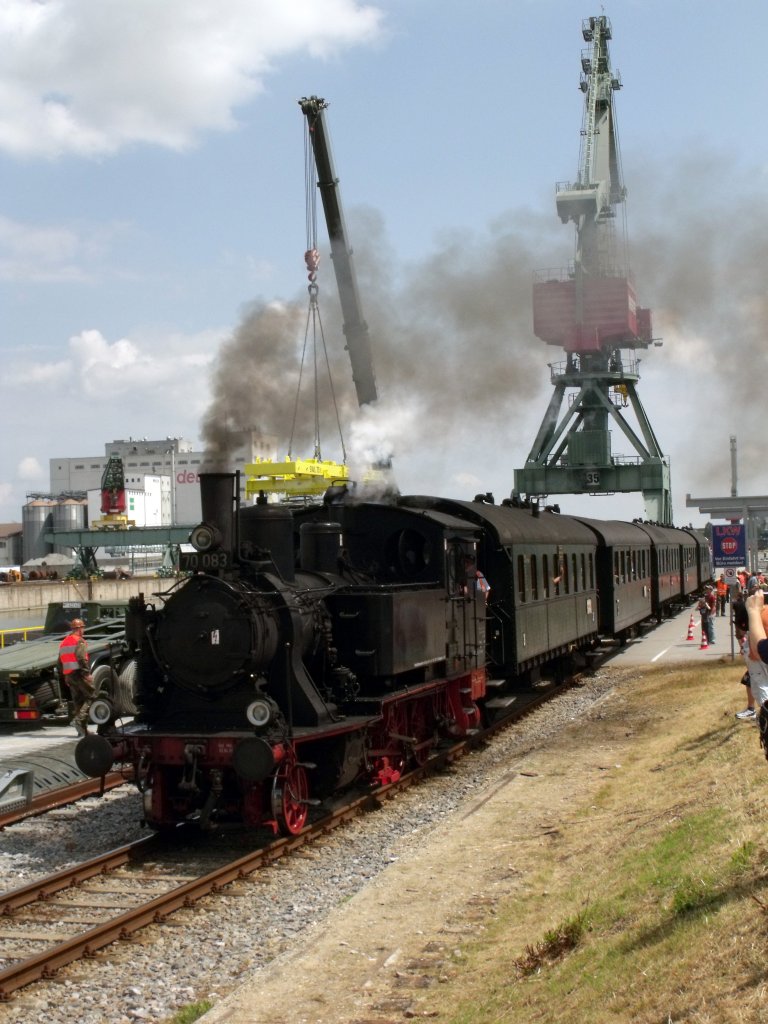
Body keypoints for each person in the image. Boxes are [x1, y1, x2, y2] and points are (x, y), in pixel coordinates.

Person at [57, 617, 95, 737]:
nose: (83, 630)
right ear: (79, 629)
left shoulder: (63, 642)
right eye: (83, 628)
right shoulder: (79, 641)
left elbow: (59, 662)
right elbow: (81, 658)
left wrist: (65, 675)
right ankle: (78, 721)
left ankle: (82, 730)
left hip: (69, 675)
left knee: (78, 701)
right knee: (91, 696)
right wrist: (87, 674)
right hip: (79, 674)